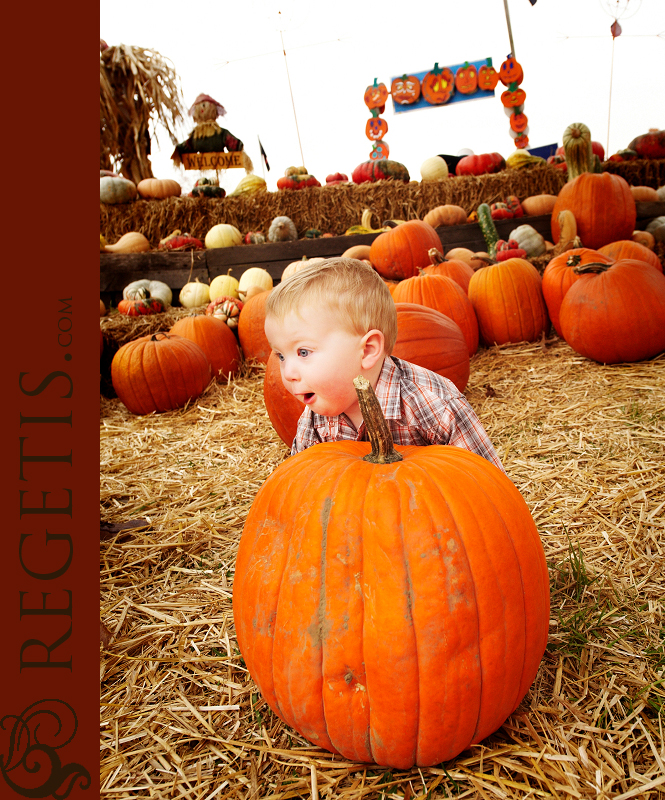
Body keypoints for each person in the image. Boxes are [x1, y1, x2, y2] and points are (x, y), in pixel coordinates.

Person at [264, 257, 505, 472]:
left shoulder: (433, 406)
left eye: (303, 352)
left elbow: (489, 486)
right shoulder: (314, 420)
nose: (288, 373)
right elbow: (299, 487)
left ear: (368, 350)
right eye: (281, 356)